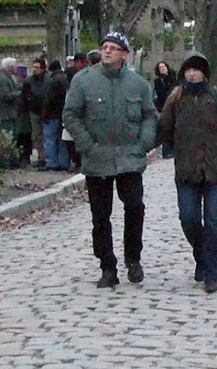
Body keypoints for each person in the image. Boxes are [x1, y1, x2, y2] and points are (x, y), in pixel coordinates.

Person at [62, 32, 160, 288]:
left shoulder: (138, 84)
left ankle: (133, 257)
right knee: (100, 216)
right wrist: (87, 146)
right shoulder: (84, 82)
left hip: (129, 157)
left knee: (135, 207)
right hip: (98, 158)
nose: (107, 52)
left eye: (114, 48)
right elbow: (71, 115)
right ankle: (107, 265)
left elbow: (151, 115)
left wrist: (143, 143)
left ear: (124, 54)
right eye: (104, 47)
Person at [158, 53, 217, 293]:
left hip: (215, 169)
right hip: (187, 169)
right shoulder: (176, 98)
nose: (192, 74)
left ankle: (212, 272)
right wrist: (137, 150)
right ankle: (201, 254)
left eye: (197, 70)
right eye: (188, 69)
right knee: (188, 218)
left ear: (205, 73)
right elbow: (162, 130)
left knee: (213, 221)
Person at [0, 58, 28, 169]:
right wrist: (19, 93)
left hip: (11, 114)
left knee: (12, 138)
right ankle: (6, 163)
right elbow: (5, 95)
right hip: (6, 114)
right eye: (15, 66)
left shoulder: (7, 77)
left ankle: (11, 161)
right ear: (10, 68)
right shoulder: (3, 79)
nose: (16, 69)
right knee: (8, 138)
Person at [42, 59, 70, 170]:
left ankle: (51, 162)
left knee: (50, 138)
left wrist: (45, 115)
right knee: (62, 140)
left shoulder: (52, 81)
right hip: (62, 113)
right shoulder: (65, 79)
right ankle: (63, 162)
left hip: (53, 114)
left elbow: (49, 99)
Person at [24, 58, 50, 168]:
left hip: (46, 110)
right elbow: (25, 94)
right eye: (34, 67)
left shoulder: (48, 80)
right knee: (36, 135)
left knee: (46, 135)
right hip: (34, 110)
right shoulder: (29, 81)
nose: (35, 70)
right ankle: (40, 156)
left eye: (37, 68)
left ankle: (46, 156)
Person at [151, 60, 179, 159]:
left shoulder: (174, 78)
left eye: (163, 67)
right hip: (164, 106)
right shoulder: (158, 81)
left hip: (175, 105)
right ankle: (167, 151)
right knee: (166, 127)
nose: (162, 69)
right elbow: (160, 94)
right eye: (160, 68)